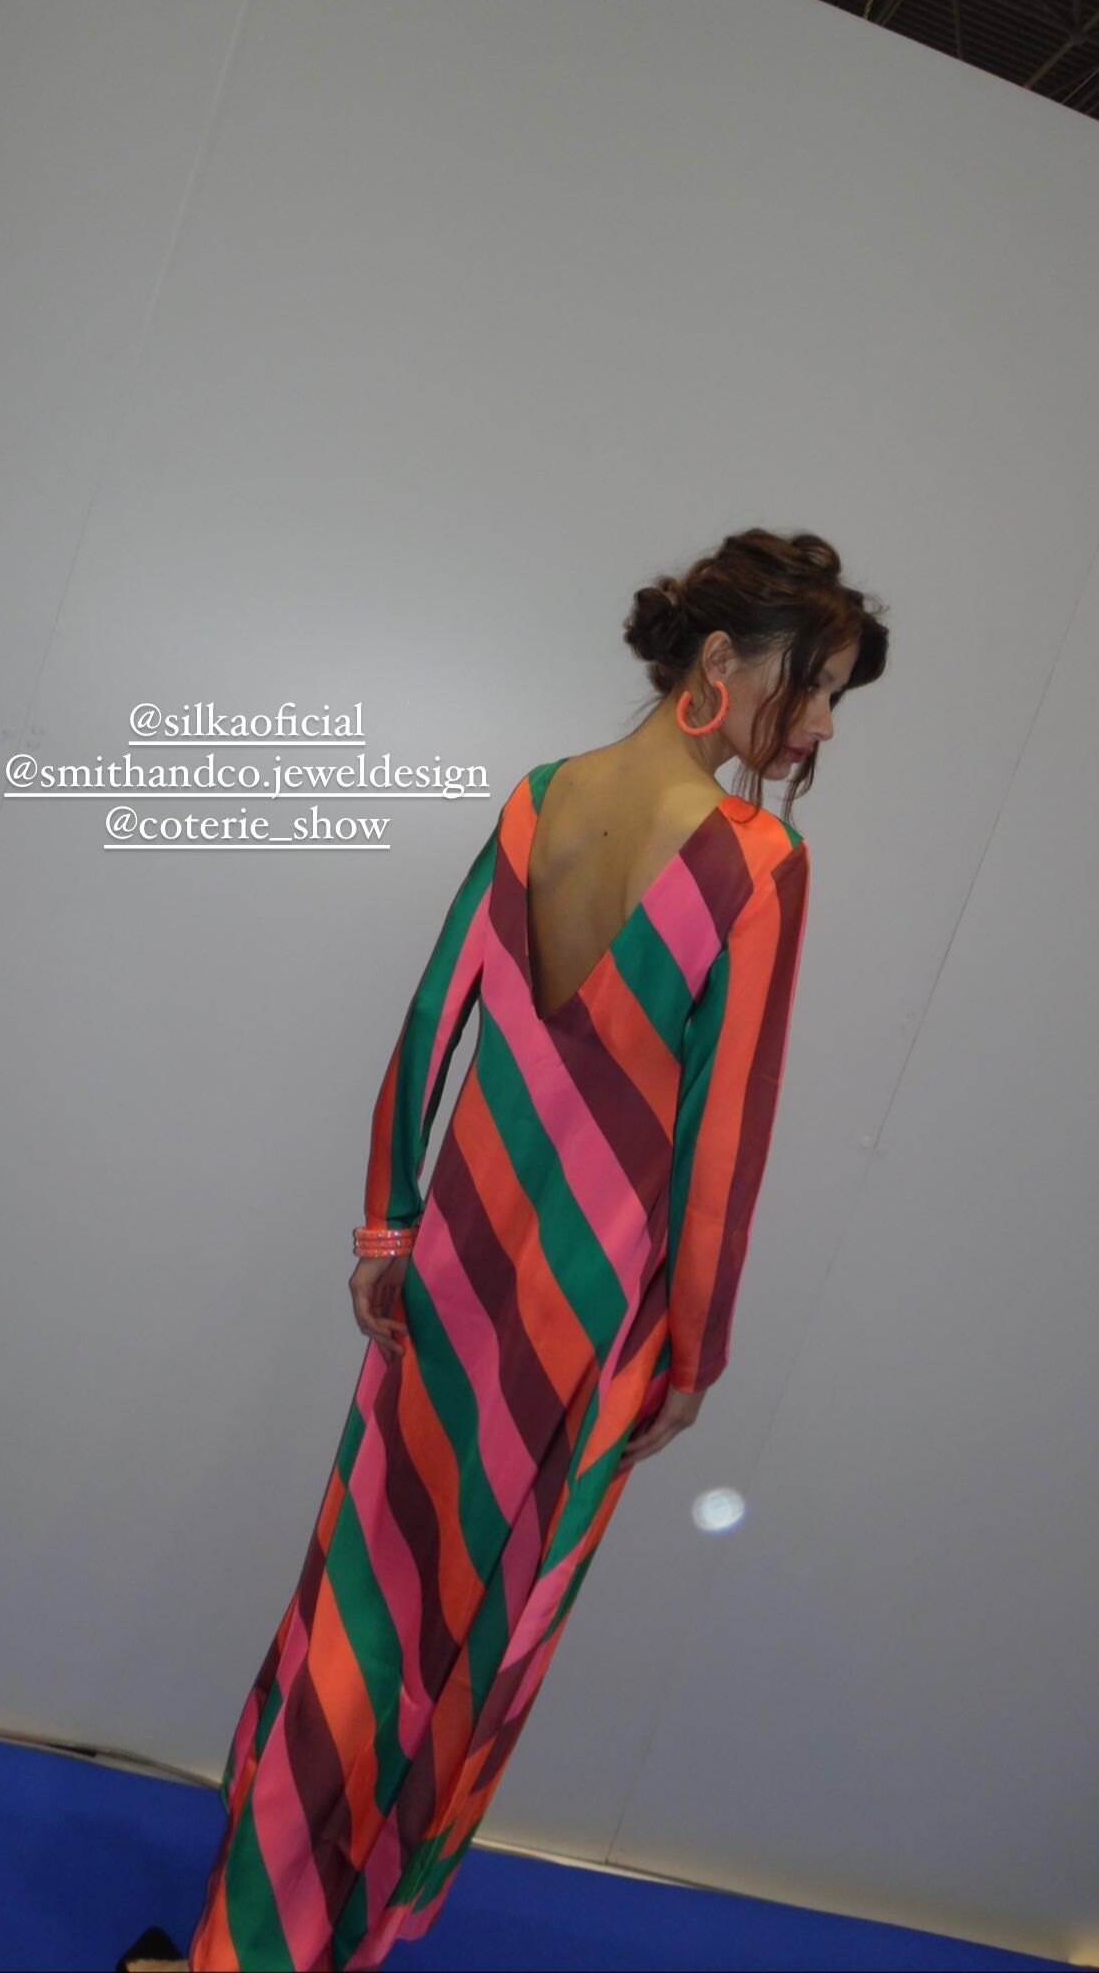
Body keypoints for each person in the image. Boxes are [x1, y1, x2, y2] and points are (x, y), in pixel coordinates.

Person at [121, 527, 888, 1973]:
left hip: (449, 1282)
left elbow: (431, 1024)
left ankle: (246, 1931)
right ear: (720, 661)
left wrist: (385, 1228)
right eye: (818, 686)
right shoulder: (755, 865)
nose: (825, 727)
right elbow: (722, 1147)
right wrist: (694, 1357)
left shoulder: (544, 802)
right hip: (579, 1335)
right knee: (463, 1649)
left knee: (362, 1601)